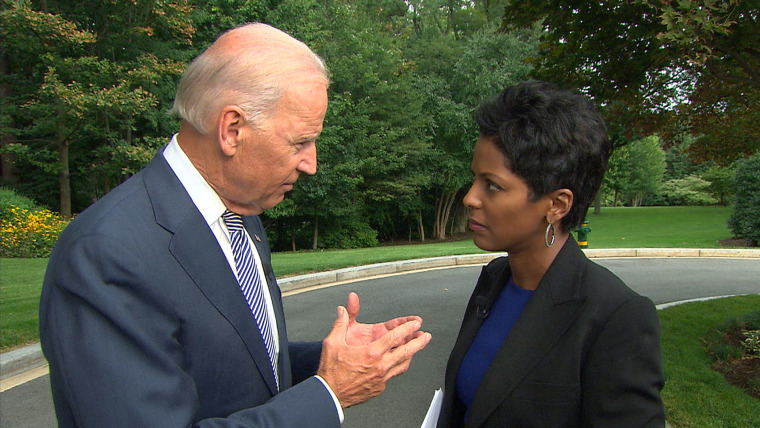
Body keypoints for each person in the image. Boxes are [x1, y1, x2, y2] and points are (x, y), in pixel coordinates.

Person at [39, 23, 431, 427]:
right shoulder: (107, 254)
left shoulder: (242, 218)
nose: (311, 164)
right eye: (300, 142)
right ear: (232, 130)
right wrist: (329, 394)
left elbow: (234, 366)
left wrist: (331, 359)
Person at [436, 80, 665, 427]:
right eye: (474, 179)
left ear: (557, 204)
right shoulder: (495, 280)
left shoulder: (615, 317)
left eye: (492, 185)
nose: (470, 198)